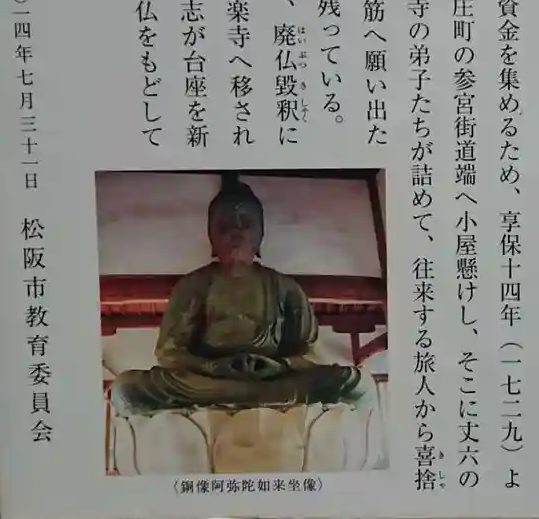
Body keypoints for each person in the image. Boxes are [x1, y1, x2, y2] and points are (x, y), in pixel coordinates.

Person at [110, 173, 367, 418]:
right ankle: (255, 398)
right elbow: (169, 353)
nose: (235, 232)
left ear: (260, 233)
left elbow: (309, 352)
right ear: (211, 234)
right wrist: (211, 367)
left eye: (246, 223)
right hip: (210, 382)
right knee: (126, 387)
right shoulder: (193, 285)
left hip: (273, 380)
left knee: (354, 382)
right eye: (225, 225)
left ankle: (252, 396)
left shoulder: (285, 287)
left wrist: (280, 366)